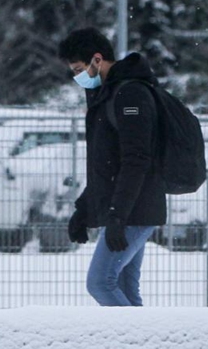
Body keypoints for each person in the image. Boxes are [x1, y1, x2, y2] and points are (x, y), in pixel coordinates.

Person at [58, 27, 167, 307]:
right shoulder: (106, 95)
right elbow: (105, 166)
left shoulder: (130, 94)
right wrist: (83, 210)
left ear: (97, 59)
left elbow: (137, 159)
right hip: (127, 208)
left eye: (80, 69)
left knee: (100, 282)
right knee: (123, 286)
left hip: (135, 209)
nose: (77, 77)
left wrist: (118, 215)